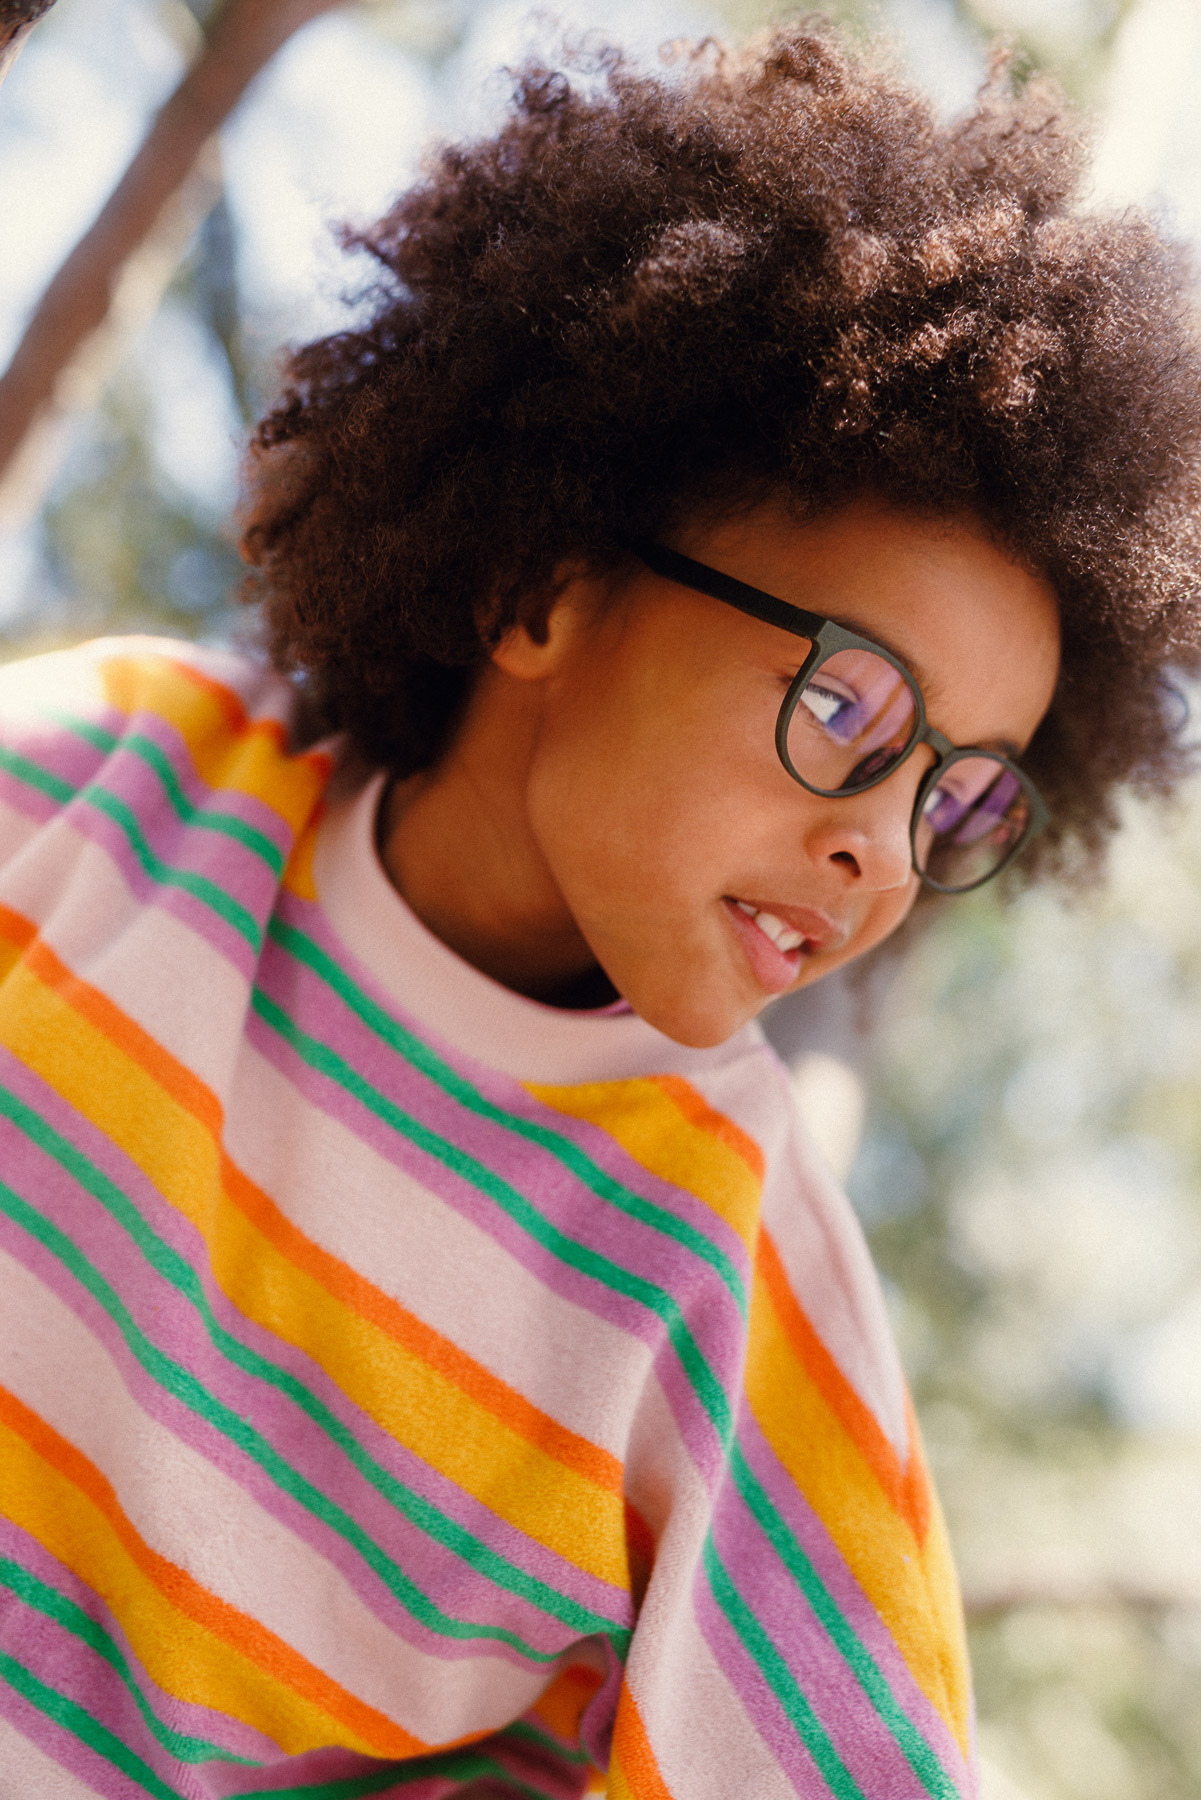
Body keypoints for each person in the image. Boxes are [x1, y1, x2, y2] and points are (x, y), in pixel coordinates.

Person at [1, 23, 1199, 1799]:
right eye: (850, 707)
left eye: (955, 791)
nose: (886, 848)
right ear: (543, 585)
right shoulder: (107, 785)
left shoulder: (732, 1287)